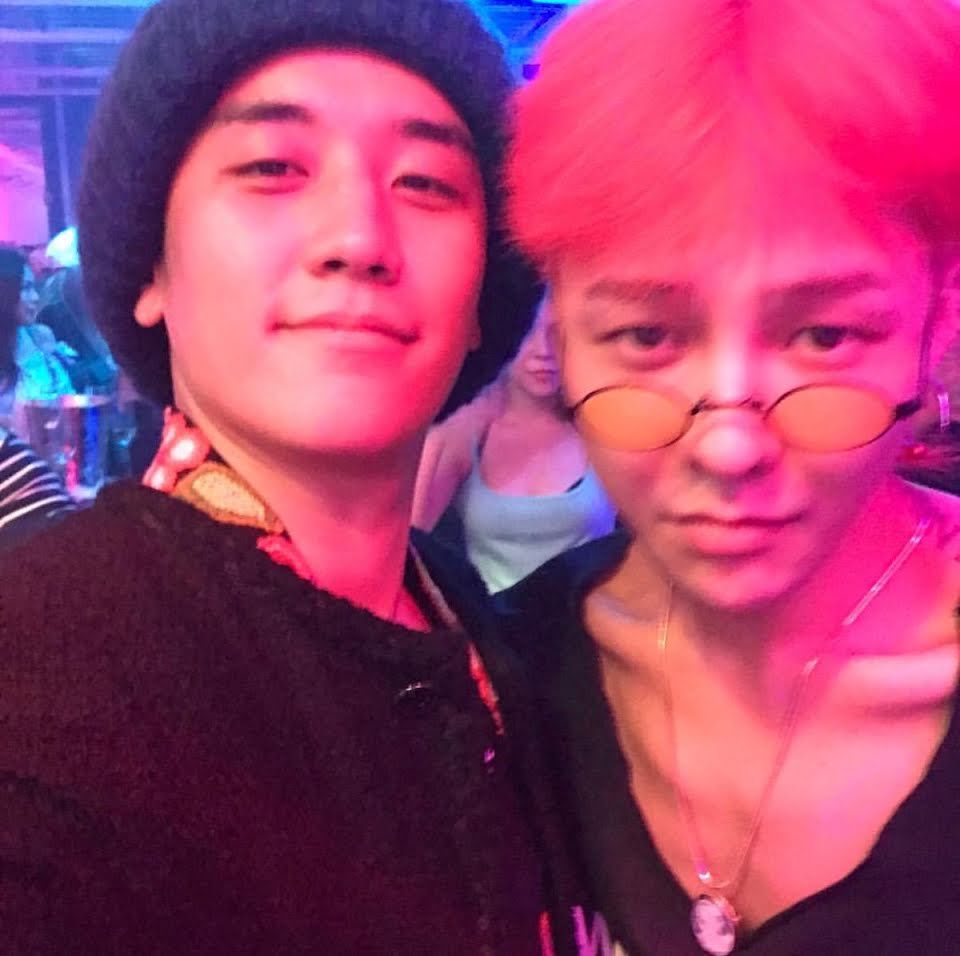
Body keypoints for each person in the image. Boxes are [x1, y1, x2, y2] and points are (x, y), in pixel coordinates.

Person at [0, 0, 590, 951]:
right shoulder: (39, 676)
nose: (359, 237)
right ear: (150, 265)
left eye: (426, 183)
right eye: (273, 168)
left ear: (486, 292)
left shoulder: (473, 627)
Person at [500, 0, 960, 953]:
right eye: (646, 336)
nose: (729, 446)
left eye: (824, 335)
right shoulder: (510, 674)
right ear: (559, 334)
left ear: (934, 327)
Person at [414, 297, 617, 591]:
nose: (542, 351)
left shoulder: (605, 423)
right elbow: (406, 546)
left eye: (556, 333)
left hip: (590, 613)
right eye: (526, 330)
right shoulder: (466, 430)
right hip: (490, 615)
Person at [0, 246, 75, 547]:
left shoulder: (40, 338)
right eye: (26, 289)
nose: (35, 298)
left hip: (54, 479)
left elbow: (66, 404)